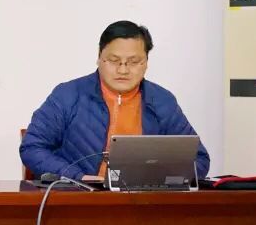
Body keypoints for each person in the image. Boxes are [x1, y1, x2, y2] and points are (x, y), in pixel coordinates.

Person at [20, 20, 209, 180]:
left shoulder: (162, 101)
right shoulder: (68, 95)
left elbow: (198, 159)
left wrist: (158, 180)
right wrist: (77, 177)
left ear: (146, 63)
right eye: (114, 60)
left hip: (144, 201)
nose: (123, 70)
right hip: (81, 198)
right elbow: (32, 148)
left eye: (133, 62)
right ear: (99, 58)